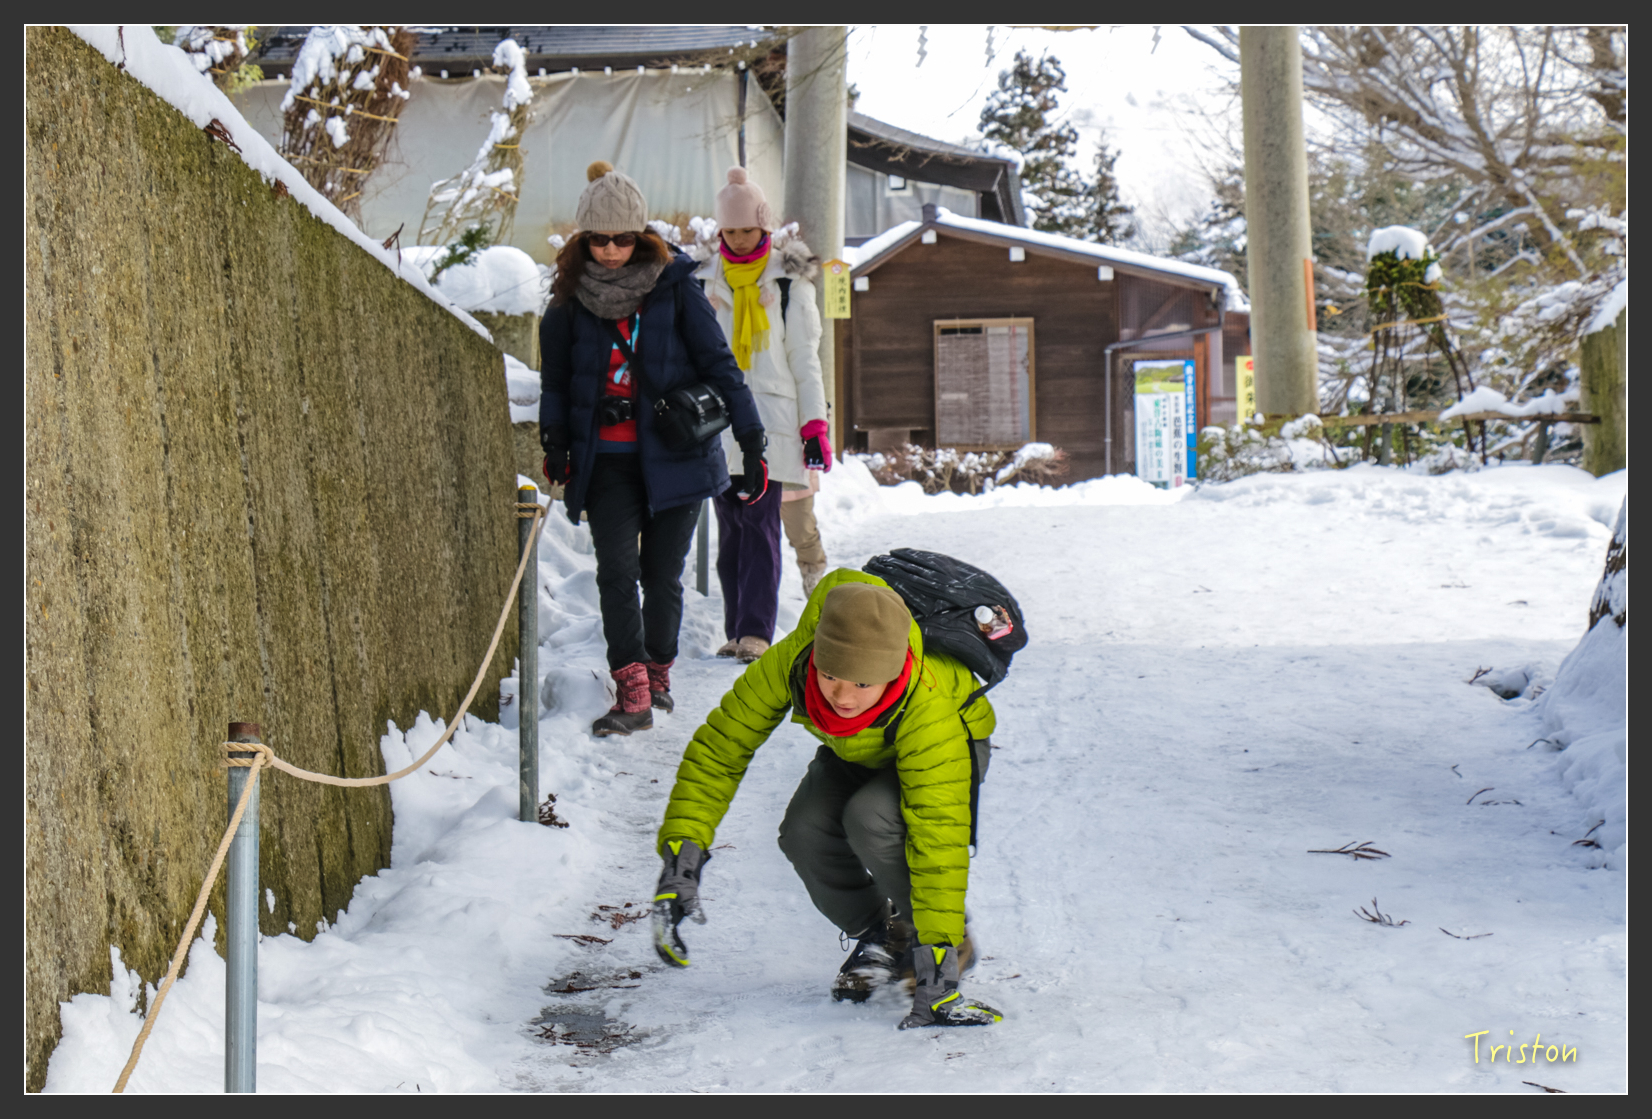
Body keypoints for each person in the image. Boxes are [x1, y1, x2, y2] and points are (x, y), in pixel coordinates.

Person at [651, 570, 1003, 1029]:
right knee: (803, 830)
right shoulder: (792, 661)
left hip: (950, 747)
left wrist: (939, 967)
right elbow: (720, 749)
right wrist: (682, 857)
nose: (841, 695)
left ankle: (942, 942)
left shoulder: (926, 704)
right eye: (831, 675)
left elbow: (938, 838)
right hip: (860, 746)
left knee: (870, 818)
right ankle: (885, 936)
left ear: (894, 673)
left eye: (862, 683)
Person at [540, 161, 767, 737]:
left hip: (678, 454)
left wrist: (752, 439)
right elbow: (557, 384)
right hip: (607, 459)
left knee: (662, 573)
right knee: (616, 571)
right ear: (583, 240)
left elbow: (721, 366)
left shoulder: (676, 291)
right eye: (598, 239)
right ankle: (633, 687)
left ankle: (659, 670)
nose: (611, 250)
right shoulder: (568, 302)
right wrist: (556, 444)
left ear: (641, 237)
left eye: (622, 238)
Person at [696, 167, 834, 665]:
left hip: (773, 420)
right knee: (730, 525)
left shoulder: (790, 283)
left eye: (747, 230)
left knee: (759, 524)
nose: (737, 239)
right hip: (719, 422)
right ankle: (736, 628)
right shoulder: (702, 281)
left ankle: (756, 630)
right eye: (729, 231)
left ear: (764, 228)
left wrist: (814, 425)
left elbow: (805, 357)